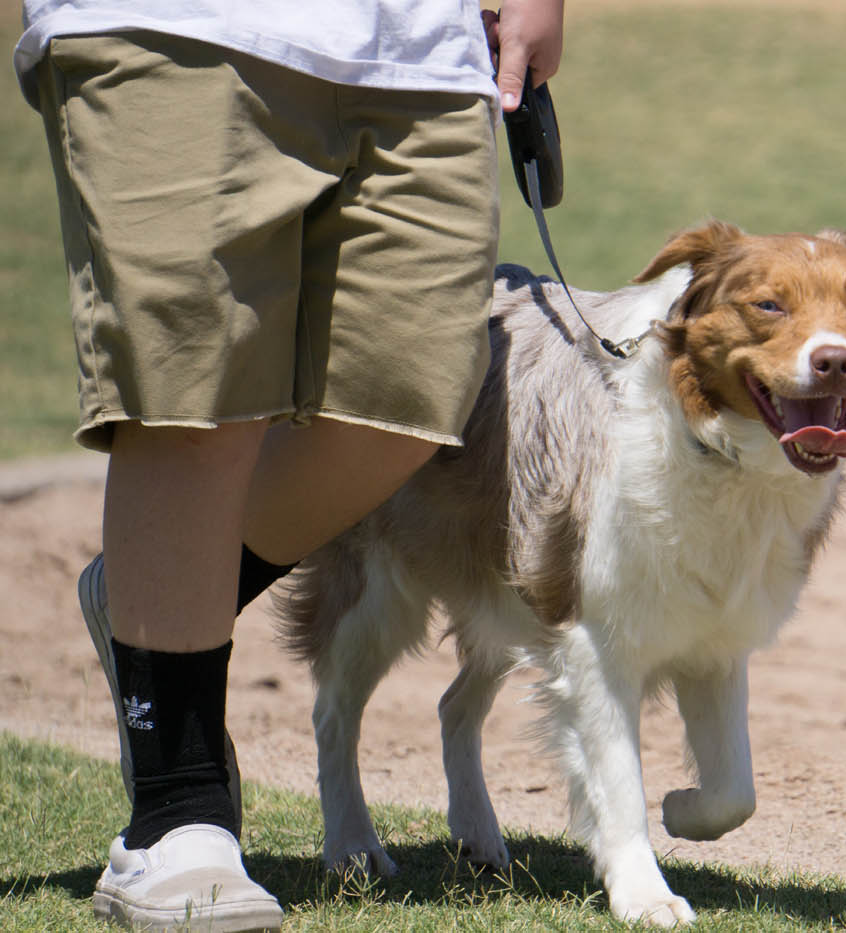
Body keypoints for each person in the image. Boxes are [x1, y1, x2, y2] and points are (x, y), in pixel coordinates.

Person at [11, 1, 564, 929]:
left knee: (417, 396)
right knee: (193, 389)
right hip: (175, 27)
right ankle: (175, 822)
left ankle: (152, 601)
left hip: (419, 51)